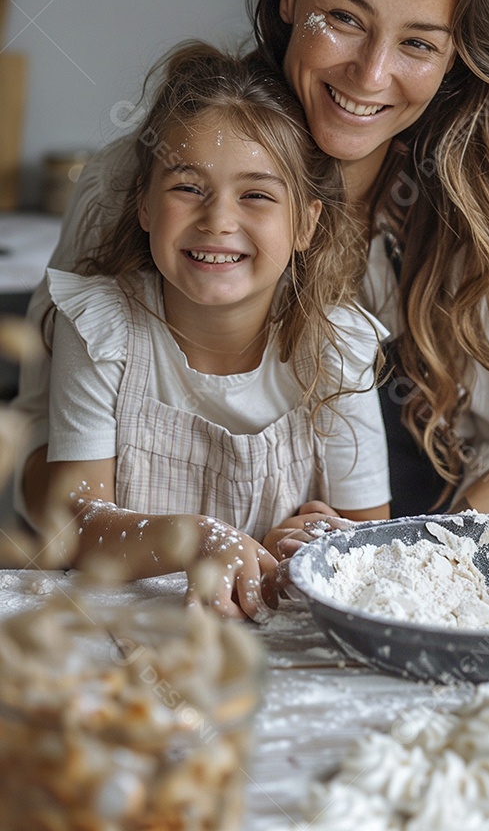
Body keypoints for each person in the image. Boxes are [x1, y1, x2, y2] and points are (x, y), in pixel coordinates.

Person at [16, 0, 489, 557]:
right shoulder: (139, 174)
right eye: (344, 19)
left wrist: (387, 563)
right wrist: (186, 541)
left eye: (417, 44)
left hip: (423, 573)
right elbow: (40, 447)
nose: (371, 73)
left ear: (451, 59)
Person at [23, 43, 390, 618]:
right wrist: (195, 539)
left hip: (279, 641)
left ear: (306, 225)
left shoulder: (337, 348)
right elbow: (75, 520)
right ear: (144, 204)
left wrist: (318, 538)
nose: (218, 219)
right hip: (127, 631)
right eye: (188, 187)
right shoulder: (101, 328)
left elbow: (373, 534)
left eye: (257, 195)